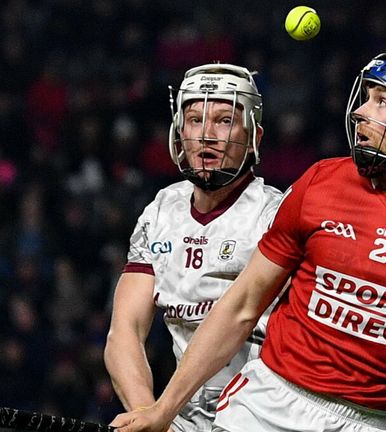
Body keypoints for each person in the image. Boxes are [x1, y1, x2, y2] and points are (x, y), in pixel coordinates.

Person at [110, 51, 386, 432]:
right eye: (365, 98)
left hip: (372, 422)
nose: (360, 112)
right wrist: (163, 411)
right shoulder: (321, 183)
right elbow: (242, 305)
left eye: (381, 102)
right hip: (266, 402)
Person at [103, 63, 283, 432]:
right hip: (184, 415)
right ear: (178, 132)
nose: (206, 135)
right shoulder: (160, 212)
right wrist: (149, 414)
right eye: (195, 119)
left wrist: (163, 412)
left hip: (267, 414)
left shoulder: (275, 215)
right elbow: (124, 331)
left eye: (223, 121)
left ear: (254, 136)